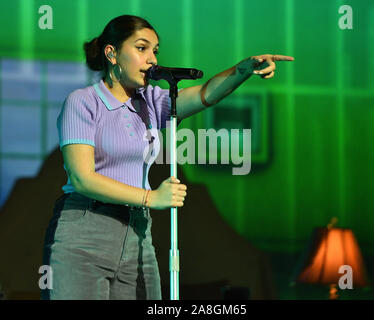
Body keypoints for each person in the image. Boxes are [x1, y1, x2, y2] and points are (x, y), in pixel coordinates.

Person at [41, 14, 294, 300]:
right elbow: (82, 178)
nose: (152, 59)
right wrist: (151, 197)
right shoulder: (84, 101)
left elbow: (205, 93)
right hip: (85, 231)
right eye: (141, 48)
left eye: (155, 50)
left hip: (137, 231)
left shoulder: (151, 100)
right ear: (111, 53)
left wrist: (244, 69)